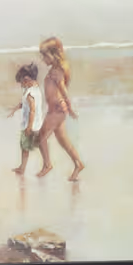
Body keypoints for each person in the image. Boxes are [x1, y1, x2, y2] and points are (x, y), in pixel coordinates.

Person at [38, 36, 86, 178]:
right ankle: (78, 164)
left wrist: (69, 108)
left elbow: (63, 91)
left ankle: (47, 165)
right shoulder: (55, 69)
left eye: (45, 56)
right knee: (63, 140)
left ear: (54, 55)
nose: (43, 59)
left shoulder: (57, 71)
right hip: (56, 109)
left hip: (57, 109)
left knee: (41, 137)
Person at [10, 62, 47, 177]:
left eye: (21, 82)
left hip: (31, 125)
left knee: (26, 147)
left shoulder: (30, 93)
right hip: (37, 124)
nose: (21, 85)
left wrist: (29, 127)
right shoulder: (35, 90)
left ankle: (26, 167)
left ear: (26, 79)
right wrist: (16, 108)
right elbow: (24, 103)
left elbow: (32, 110)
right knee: (31, 146)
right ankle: (24, 167)